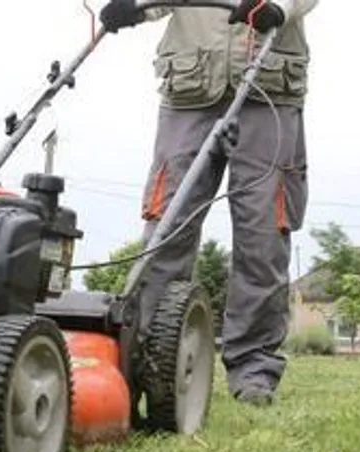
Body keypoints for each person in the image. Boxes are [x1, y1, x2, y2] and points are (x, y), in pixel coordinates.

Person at [98, 0, 319, 407]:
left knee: (263, 233)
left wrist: (278, 7)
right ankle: (146, 354)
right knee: (168, 223)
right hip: (190, 82)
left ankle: (253, 367)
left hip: (269, 81)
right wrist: (132, 6)